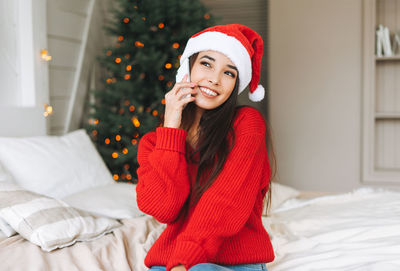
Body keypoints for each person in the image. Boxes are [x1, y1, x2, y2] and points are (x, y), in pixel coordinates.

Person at [136, 24, 276, 271]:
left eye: (229, 73)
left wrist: (184, 261)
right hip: (171, 260)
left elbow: (225, 201)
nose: (214, 79)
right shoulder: (154, 142)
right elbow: (163, 209)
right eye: (207, 64)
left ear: (236, 84)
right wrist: (171, 127)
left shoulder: (247, 124)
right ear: (187, 68)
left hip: (235, 262)